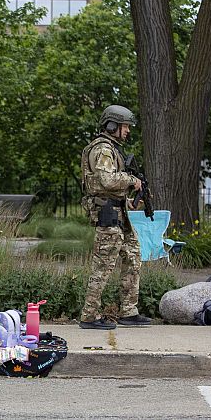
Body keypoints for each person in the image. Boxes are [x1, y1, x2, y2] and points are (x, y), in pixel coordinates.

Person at [79, 105, 152, 330]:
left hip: (118, 213)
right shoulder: (102, 149)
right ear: (112, 126)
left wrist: (128, 201)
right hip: (107, 216)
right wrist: (131, 180)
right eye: (125, 126)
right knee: (103, 265)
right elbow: (107, 181)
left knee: (133, 257)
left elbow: (110, 188)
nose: (128, 131)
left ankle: (129, 311)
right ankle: (89, 316)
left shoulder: (112, 149)